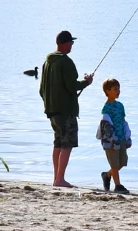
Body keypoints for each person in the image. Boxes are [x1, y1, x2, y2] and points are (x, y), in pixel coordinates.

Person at [40, 30, 93, 187]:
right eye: (71, 42)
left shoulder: (47, 62)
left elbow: (41, 89)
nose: (72, 45)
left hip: (52, 111)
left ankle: (56, 179)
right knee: (67, 144)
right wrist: (87, 82)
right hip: (65, 111)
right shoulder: (65, 62)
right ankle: (60, 179)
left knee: (58, 144)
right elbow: (72, 86)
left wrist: (50, 103)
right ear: (64, 43)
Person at [97, 78, 132, 193]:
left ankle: (107, 175)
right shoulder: (106, 108)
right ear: (108, 91)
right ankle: (118, 185)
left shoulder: (120, 106)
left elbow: (123, 121)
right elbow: (106, 125)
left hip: (121, 138)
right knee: (114, 164)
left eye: (119, 89)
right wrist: (112, 138)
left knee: (122, 162)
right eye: (115, 89)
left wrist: (128, 136)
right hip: (111, 140)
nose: (118, 91)